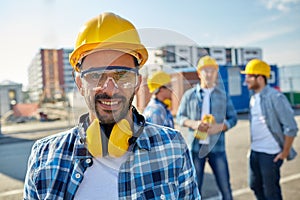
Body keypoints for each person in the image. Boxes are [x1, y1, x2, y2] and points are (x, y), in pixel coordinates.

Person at [23, 12, 200, 199]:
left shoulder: (173, 147)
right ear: (80, 84)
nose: (109, 88)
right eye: (95, 75)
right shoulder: (44, 158)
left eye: (122, 75)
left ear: (138, 83)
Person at [177, 55, 237, 200]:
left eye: (212, 71)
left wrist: (220, 127)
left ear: (216, 73)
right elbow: (180, 117)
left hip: (218, 148)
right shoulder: (189, 95)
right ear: (199, 73)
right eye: (206, 71)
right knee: (194, 189)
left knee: (225, 188)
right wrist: (194, 124)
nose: (209, 74)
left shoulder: (223, 96)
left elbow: (233, 118)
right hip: (196, 149)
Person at [241, 59, 298, 200]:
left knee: (271, 193)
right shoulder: (253, 98)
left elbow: (291, 127)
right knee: (254, 185)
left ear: (260, 78)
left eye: (249, 76)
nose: (245, 79)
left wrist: (285, 152)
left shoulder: (276, 97)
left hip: (270, 154)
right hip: (255, 152)